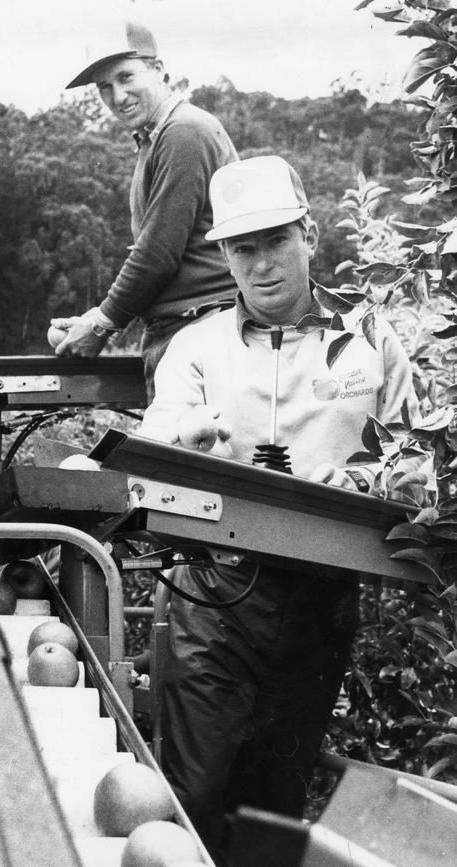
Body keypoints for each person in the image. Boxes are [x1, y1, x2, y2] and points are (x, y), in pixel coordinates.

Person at [137, 155, 420, 864]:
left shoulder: (373, 342)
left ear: (310, 234)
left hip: (321, 600)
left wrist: (379, 482)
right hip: (214, 595)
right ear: (225, 256)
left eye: (276, 241)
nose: (262, 264)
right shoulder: (196, 348)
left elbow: (419, 458)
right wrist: (184, 436)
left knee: (275, 802)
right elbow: (153, 438)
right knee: (193, 792)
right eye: (243, 247)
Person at [49, 20, 238, 397]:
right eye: (105, 86)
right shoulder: (155, 138)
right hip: (184, 331)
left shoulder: (184, 132)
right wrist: (95, 318)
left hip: (204, 333)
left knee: (191, 454)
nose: (117, 96)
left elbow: (157, 255)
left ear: (158, 70)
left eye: (126, 76)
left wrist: (103, 323)